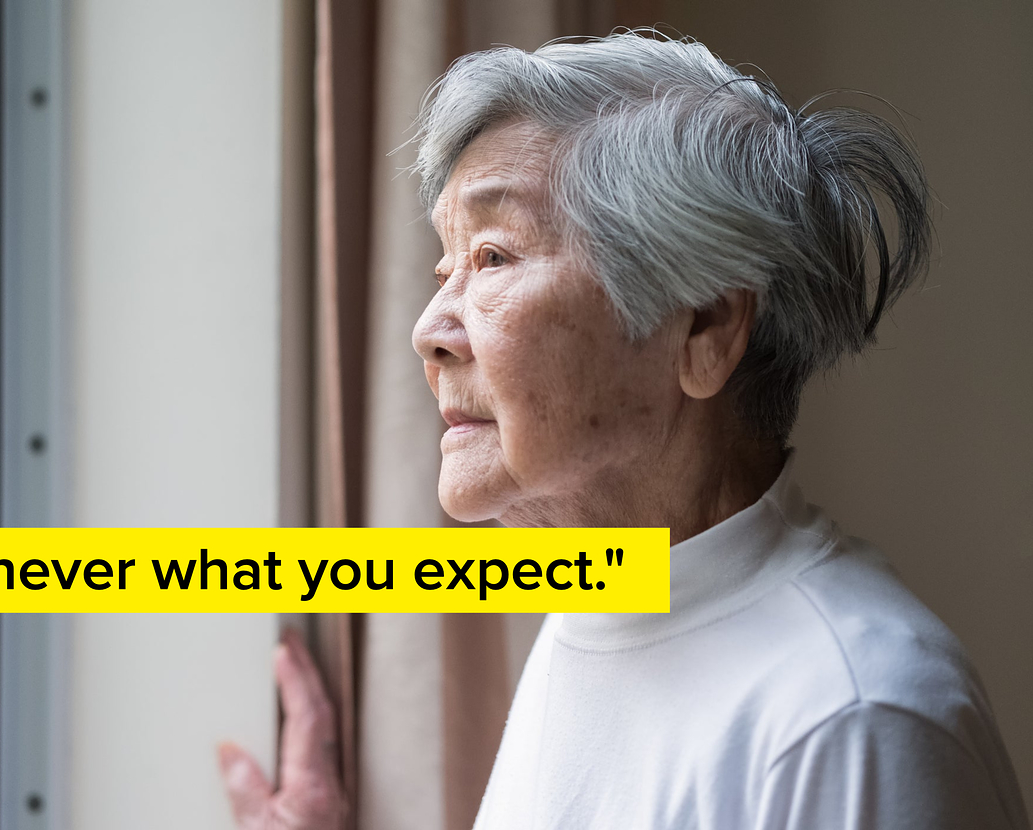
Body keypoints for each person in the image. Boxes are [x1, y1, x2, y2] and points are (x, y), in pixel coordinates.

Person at [217, 31, 1030, 829]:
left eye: (494, 258)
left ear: (706, 327)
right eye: (446, 268)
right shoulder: (600, 605)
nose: (430, 327)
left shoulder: (854, 720)